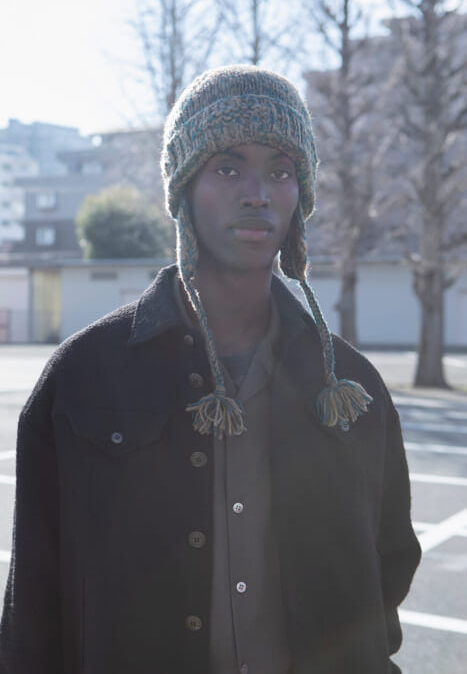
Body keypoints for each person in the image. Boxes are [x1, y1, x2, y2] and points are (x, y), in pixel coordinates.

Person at [0, 66, 420, 674]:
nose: (258, 193)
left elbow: (390, 566)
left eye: (281, 171)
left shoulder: (351, 387)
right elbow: (33, 610)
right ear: (183, 188)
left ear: (300, 194)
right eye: (227, 168)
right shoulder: (84, 376)